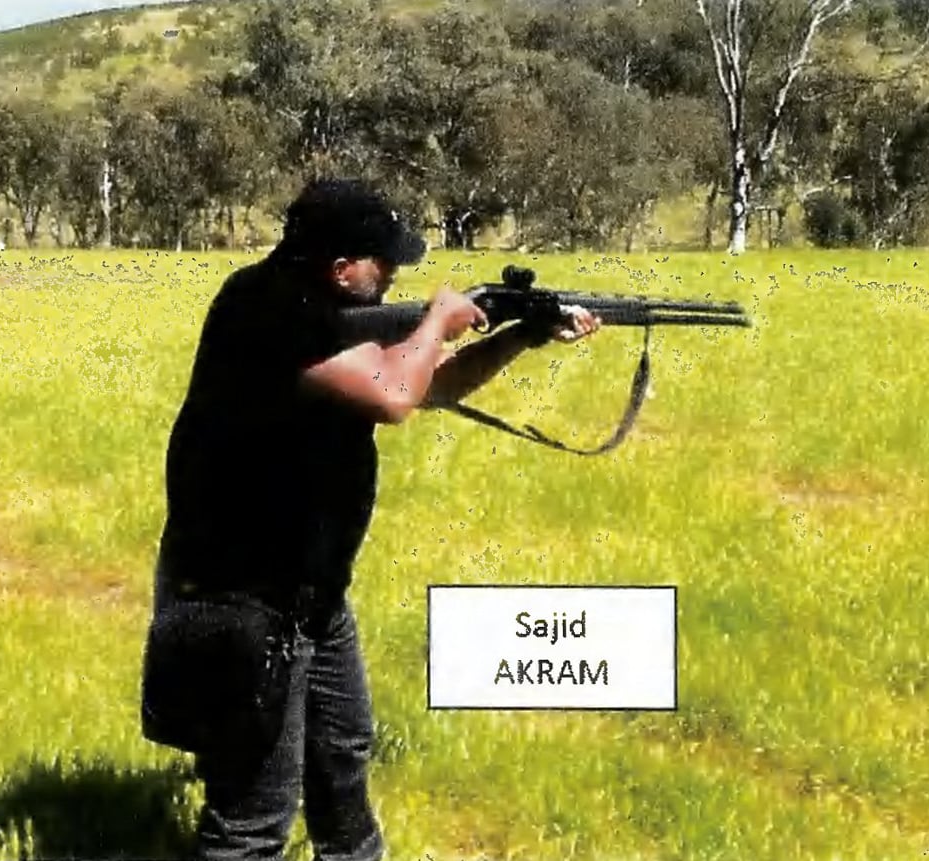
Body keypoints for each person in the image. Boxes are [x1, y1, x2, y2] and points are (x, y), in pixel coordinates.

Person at [139, 177, 601, 861]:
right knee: (253, 819)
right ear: (340, 265)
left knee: (342, 760)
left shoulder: (324, 307)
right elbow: (394, 395)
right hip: (242, 599)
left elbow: (431, 383)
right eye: (382, 264)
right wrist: (438, 321)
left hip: (310, 591)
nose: (391, 278)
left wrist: (517, 339)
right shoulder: (269, 312)